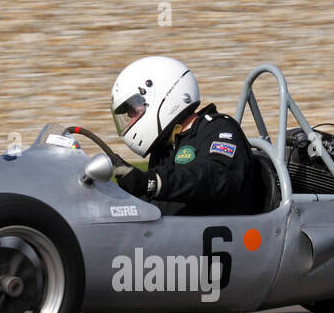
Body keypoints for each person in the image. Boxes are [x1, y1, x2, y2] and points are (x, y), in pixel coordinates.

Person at [110, 56, 262, 216]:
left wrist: (153, 182)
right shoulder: (165, 147)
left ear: (164, 93)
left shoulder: (219, 128)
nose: (131, 118)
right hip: (175, 234)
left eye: (133, 110)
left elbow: (216, 176)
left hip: (224, 232)